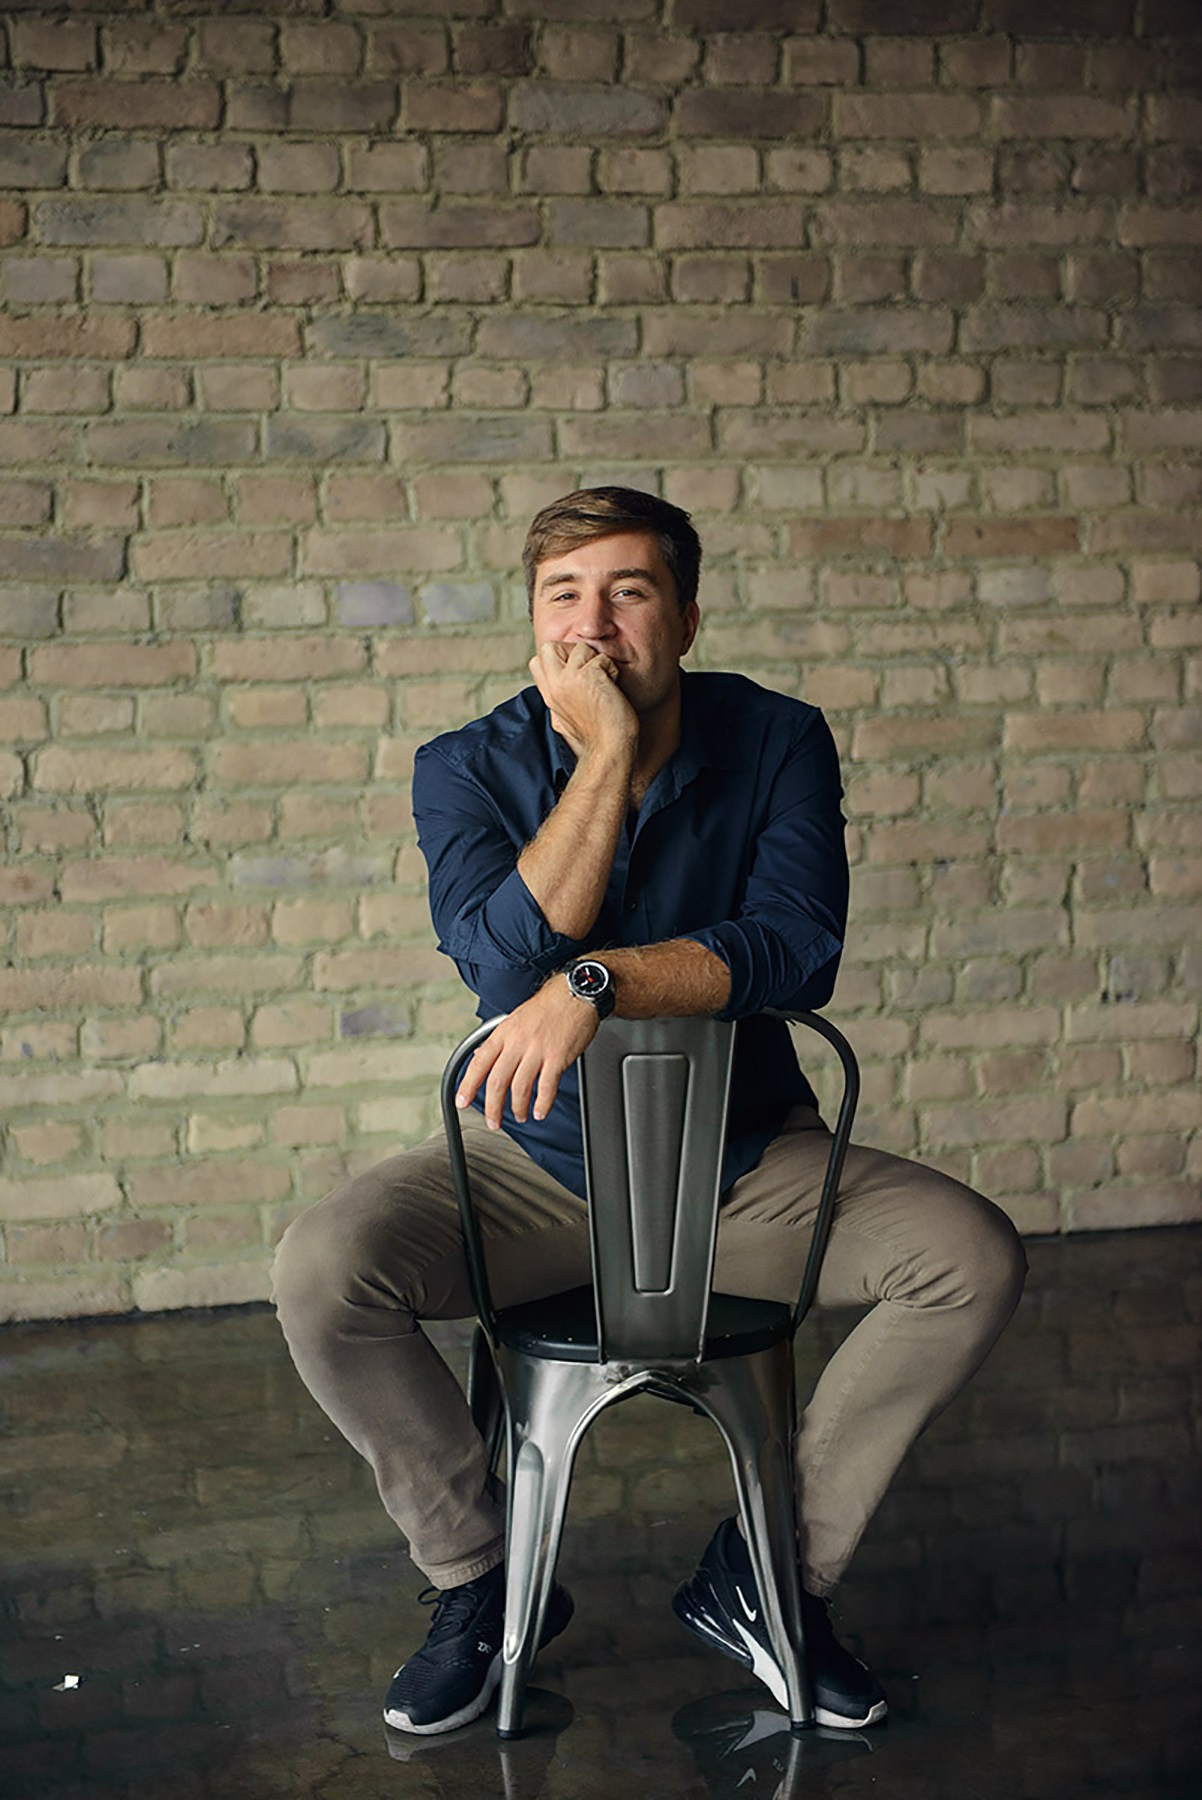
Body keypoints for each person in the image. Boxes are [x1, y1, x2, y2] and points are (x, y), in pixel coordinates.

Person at [273, 487, 1027, 1738]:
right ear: (530, 621)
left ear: (683, 612)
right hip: (531, 1168)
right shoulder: (464, 765)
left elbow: (797, 952)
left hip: (742, 1166)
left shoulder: (777, 738)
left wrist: (604, 980)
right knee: (322, 1269)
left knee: (969, 1259)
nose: (593, 627)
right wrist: (610, 759)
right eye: (561, 597)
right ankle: (478, 1583)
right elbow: (499, 962)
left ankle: (769, 1574)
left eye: (625, 593)